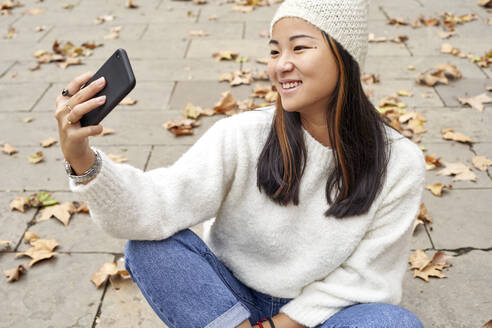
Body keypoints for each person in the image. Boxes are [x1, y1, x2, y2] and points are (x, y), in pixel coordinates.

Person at [54, 0, 426, 327]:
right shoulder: (242, 134)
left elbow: (365, 278)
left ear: (345, 56)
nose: (281, 65)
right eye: (275, 51)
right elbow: (157, 204)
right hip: (229, 303)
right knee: (150, 249)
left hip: (327, 315)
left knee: (393, 323)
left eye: (299, 48)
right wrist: (82, 159)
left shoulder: (399, 161)